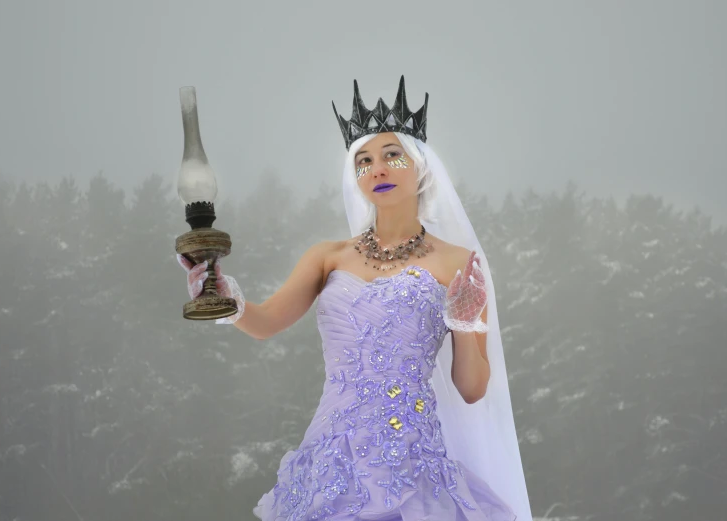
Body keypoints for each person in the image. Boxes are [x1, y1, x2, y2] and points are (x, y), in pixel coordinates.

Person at [177, 77, 532, 521]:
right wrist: (222, 294)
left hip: (411, 464)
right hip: (330, 461)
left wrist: (465, 323)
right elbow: (265, 323)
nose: (377, 170)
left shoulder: (457, 262)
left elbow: (472, 387)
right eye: (363, 162)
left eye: (391, 156)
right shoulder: (327, 257)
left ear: (420, 165)